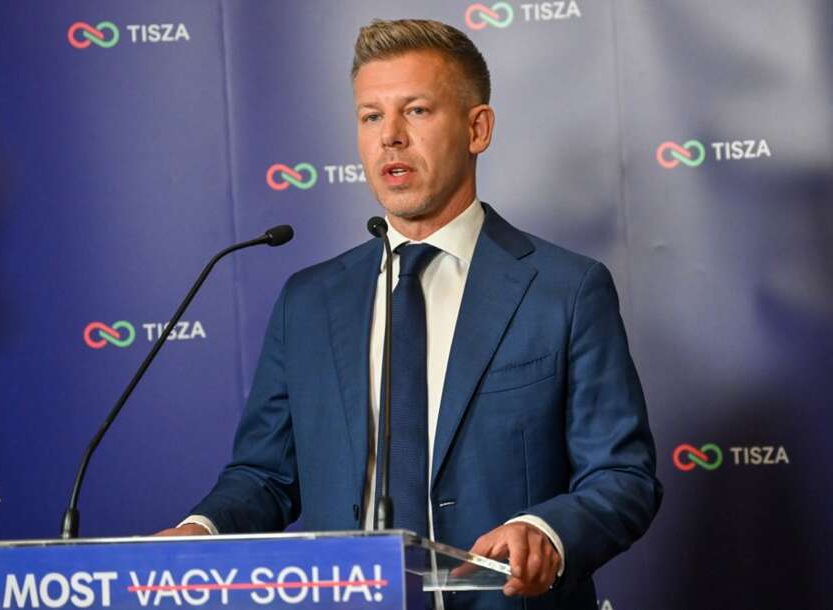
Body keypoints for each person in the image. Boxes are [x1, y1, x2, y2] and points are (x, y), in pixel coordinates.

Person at [158, 18, 662, 609]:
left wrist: (546, 531)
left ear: (477, 128)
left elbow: (622, 477)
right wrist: (203, 529)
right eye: (371, 116)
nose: (390, 137)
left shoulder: (565, 289)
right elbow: (266, 476)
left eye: (416, 111)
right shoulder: (309, 301)